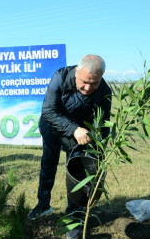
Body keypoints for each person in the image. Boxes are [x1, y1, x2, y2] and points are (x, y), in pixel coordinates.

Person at [28, 55, 112, 239]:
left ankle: (73, 218)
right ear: (76, 73)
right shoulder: (60, 77)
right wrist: (73, 129)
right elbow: (48, 111)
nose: (88, 88)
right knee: (48, 165)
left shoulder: (105, 91)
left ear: (101, 77)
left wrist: (100, 148)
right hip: (53, 127)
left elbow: (103, 124)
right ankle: (43, 205)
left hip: (82, 136)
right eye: (83, 82)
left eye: (94, 83)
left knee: (77, 173)